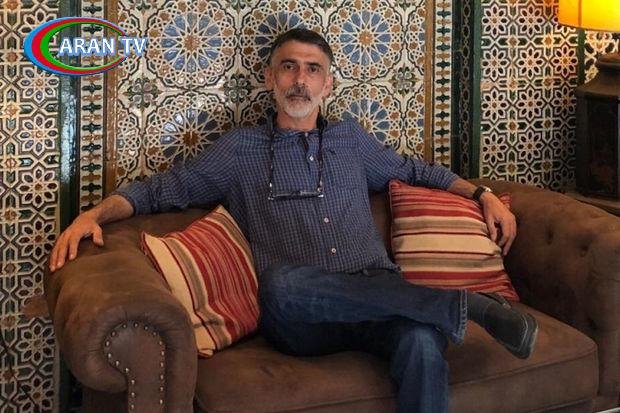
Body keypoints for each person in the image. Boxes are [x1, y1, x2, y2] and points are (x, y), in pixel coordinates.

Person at [49, 28, 537, 412]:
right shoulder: (240, 150)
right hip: (302, 316)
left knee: (422, 343)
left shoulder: (351, 140)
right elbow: (161, 190)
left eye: (313, 69)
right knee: (282, 284)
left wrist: (482, 195)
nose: (300, 79)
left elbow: (417, 171)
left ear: (328, 84)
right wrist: (94, 213)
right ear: (270, 79)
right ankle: (467, 306)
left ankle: (443, 310)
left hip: (379, 296)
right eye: (289, 67)